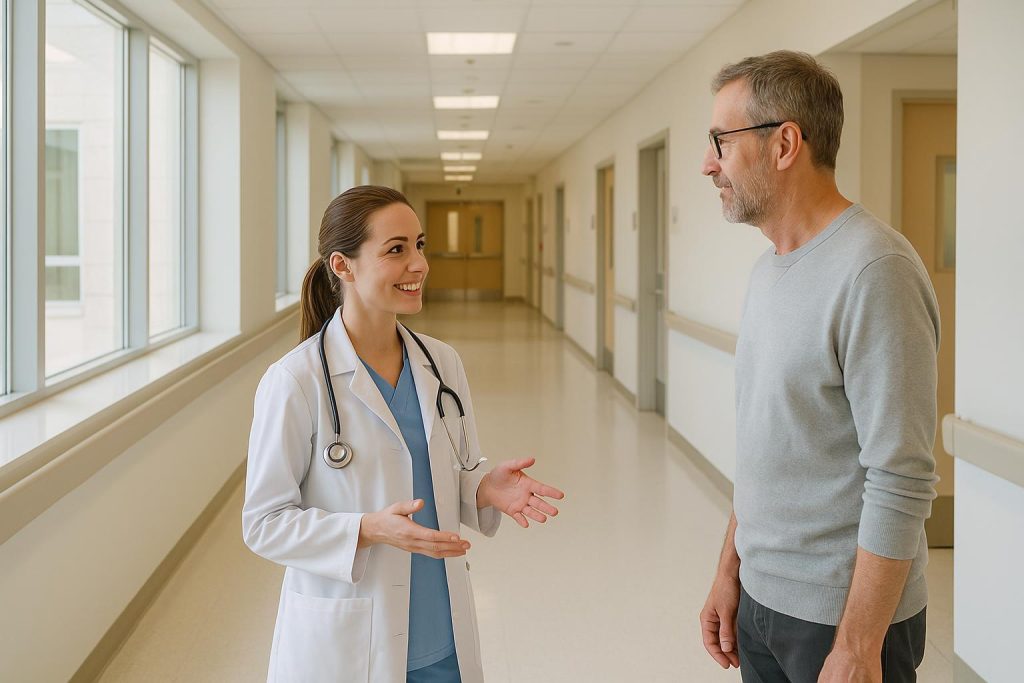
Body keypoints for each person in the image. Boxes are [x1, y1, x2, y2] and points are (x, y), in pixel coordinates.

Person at [243, 185, 564, 683]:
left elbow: (449, 469)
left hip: (441, 635)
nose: (419, 264)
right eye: (396, 250)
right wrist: (367, 529)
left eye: (420, 245)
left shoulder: (441, 364)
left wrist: (481, 486)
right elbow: (264, 523)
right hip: (349, 638)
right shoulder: (295, 381)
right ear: (342, 266)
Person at [697, 51, 939, 683]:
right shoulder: (768, 269)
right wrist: (731, 569)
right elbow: (766, 447)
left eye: (721, 141)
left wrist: (859, 645)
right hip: (762, 601)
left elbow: (901, 477)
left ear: (785, 143)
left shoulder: (874, 271)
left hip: (841, 621)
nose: (708, 164)